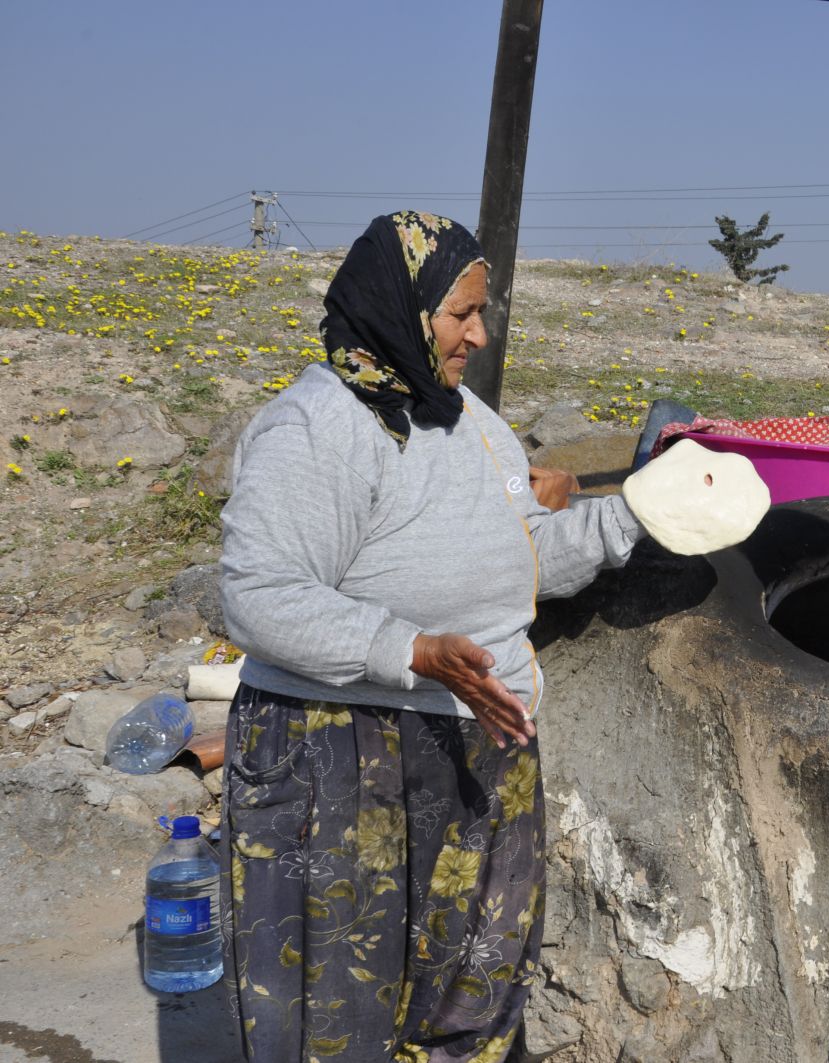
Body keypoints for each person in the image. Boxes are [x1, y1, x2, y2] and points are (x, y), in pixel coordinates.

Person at [218, 211, 647, 1061]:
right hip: (340, 751)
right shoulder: (319, 426)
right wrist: (411, 649)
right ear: (402, 304)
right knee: (335, 1011)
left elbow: (527, 558)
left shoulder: (469, 424)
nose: (478, 335)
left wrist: (638, 513)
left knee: (472, 996)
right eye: (462, 314)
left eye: (479, 314)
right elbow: (258, 595)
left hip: (477, 740)